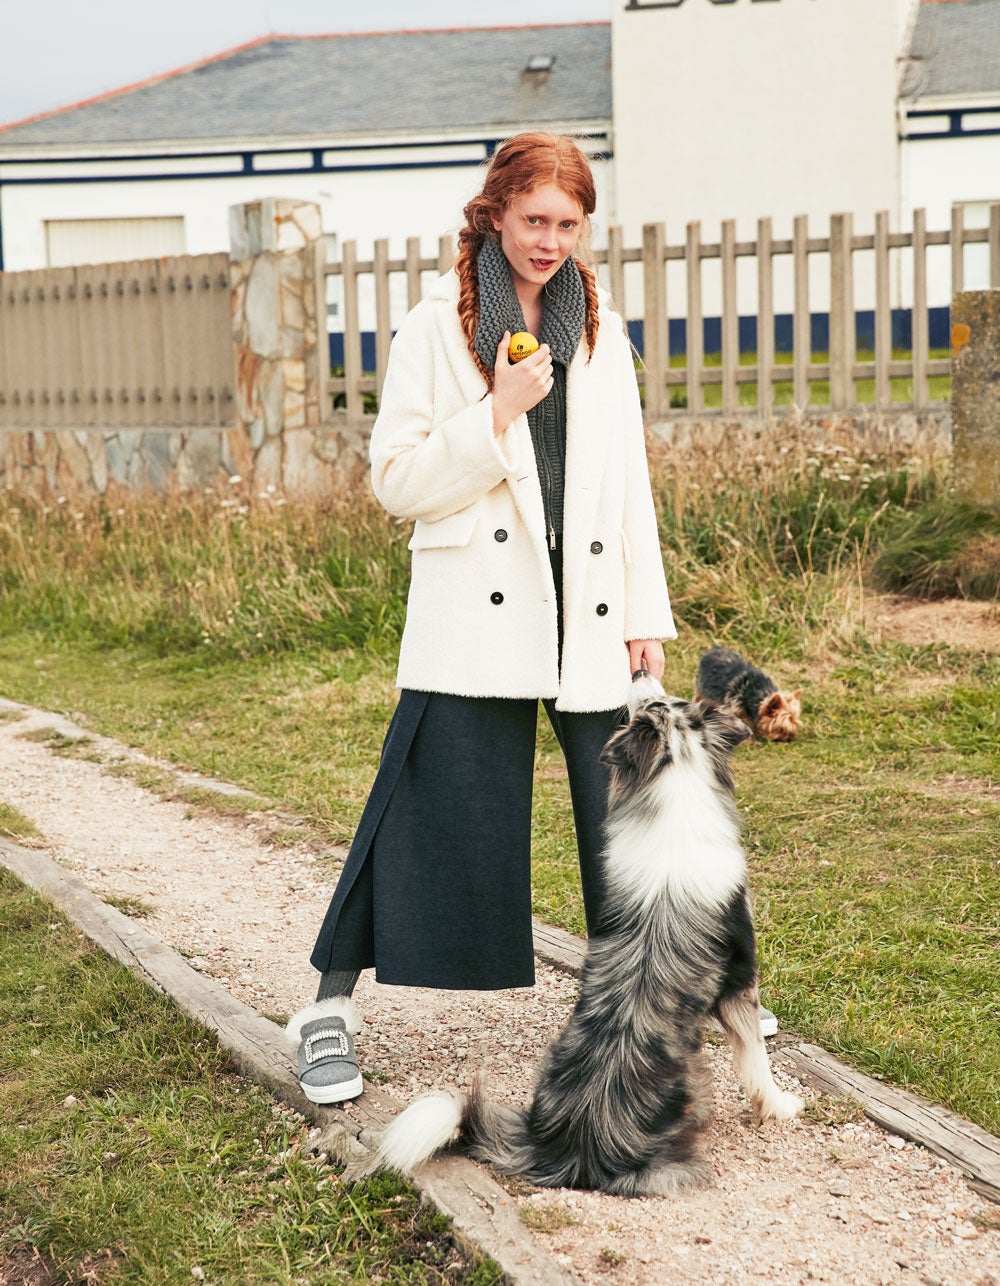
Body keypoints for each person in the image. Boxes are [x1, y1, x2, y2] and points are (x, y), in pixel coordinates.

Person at [287, 132, 679, 1104]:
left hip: (586, 613)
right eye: (533, 220)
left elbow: (629, 482)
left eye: (567, 224)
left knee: (630, 820)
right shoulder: (434, 327)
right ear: (496, 213)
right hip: (477, 610)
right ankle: (325, 1010)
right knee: (415, 803)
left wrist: (646, 614)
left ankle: (655, 1013)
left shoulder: (601, 330)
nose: (548, 241)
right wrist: (495, 413)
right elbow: (395, 481)